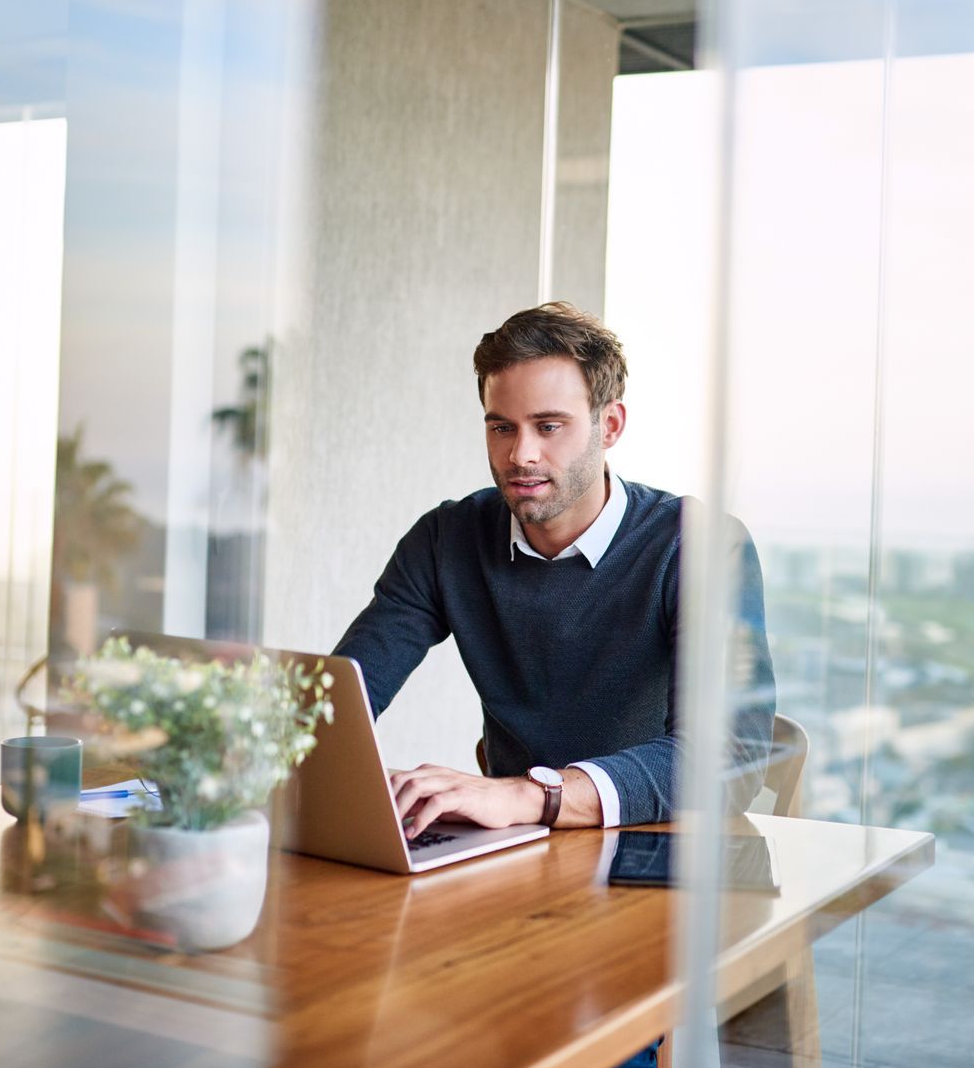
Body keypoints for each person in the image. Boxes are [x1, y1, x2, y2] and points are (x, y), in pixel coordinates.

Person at [333, 299, 777, 845]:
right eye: (502, 428)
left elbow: (730, 756)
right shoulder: (447, 538)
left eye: (549, 426)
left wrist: (529, 794)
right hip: (512, 852)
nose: (521, 454)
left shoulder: (703, 548)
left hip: (652, 851)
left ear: (608, 425)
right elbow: (340, 703)